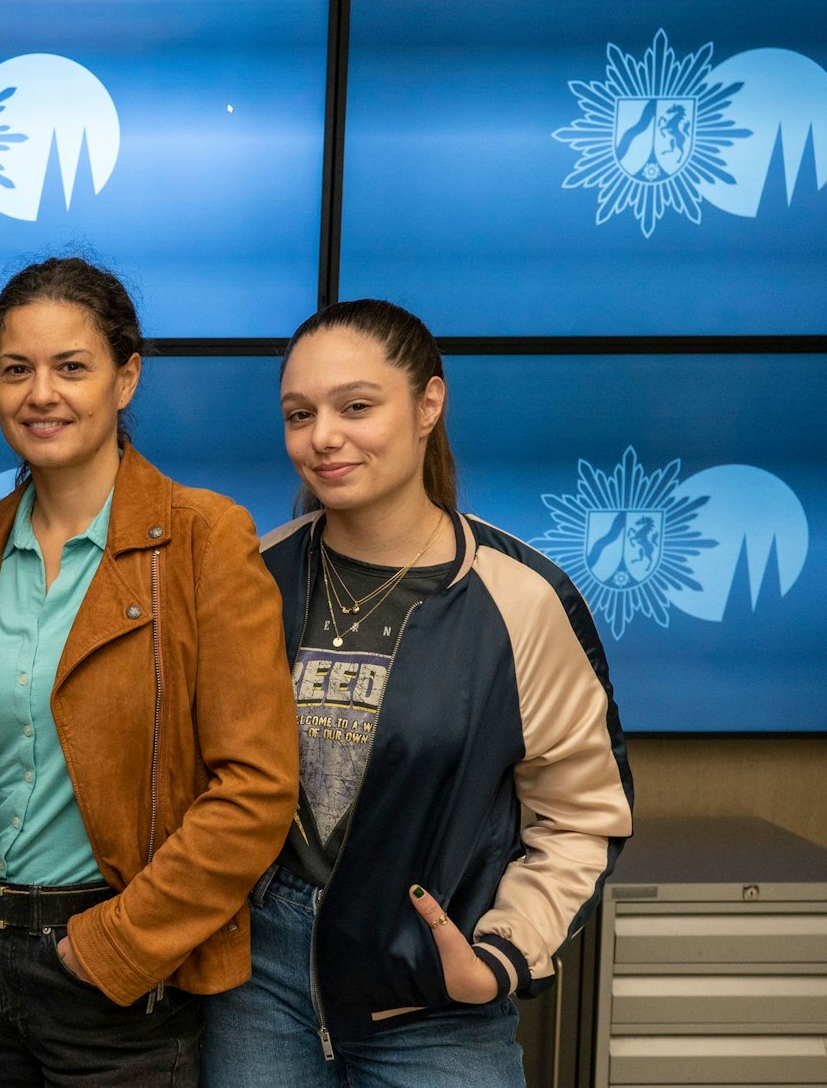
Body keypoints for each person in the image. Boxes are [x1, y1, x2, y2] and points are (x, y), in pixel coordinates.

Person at [202, 299, 635, 1087]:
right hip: (256, 992)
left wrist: (499, 955)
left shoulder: (520, 598)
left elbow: (582, 815)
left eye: (356, 406)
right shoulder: (252, 575)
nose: (323, 436)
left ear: (428, 403)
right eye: (300, 414)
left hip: (433, 1005)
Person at [0, 258, 299, 1086]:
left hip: (117, 979)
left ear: (126, 376)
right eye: (15, 369)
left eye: (72, 367)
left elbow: (257, 787)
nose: (42, 393)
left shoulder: (203, 538)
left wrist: (110, 946)